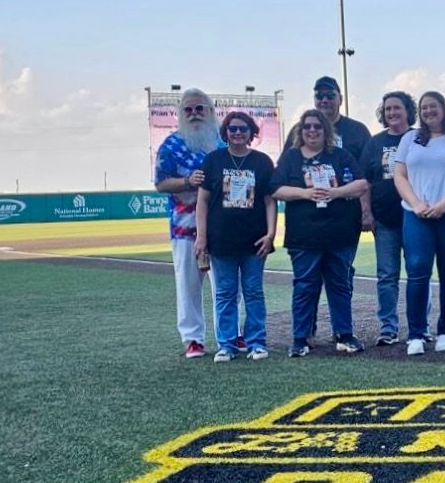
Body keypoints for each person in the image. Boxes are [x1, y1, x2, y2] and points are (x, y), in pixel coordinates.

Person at [270, 109, 369, 357]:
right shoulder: (291, 158)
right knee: (305, 286)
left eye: (317, 126)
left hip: (339, 233)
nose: (312, 131)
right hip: (304, 235)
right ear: (300, 132)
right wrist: (305, 193)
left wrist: (335, 192)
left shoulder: (340, 155)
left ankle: (344, 334)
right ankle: (301, 337)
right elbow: (276, 189)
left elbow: (362, 184)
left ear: (326, 131)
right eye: (307, 127)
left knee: (340, 285)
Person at [287, 76, 373, 341]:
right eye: (319, 96)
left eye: (330, 95)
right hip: (307, 223)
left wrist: (365, 212)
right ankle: (306, 331)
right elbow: (280, 179)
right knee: (307, 281)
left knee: (341, 276)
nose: (325, 100)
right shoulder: (296, 132)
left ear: (340, 99)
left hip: (344, 218)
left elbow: (364, 177)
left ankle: (342, 332)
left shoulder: (357, 131)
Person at [394, 91, 445, 355]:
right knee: (417, 271)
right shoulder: (410, 139)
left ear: (444, 108)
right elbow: (400, 176)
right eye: (424, 108)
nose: (429, 111)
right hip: (416, 214)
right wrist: (416, 204)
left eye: (434, 106)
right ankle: (416, 334)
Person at [195, 111, 276, 361]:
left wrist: (271, 233)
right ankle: (227, 344)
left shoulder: (262, 162)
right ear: (226, 133)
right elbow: (203, 201)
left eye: (243, 129)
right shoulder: (213, 161)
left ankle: (256, 342)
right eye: (232, 129)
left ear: (251, 132)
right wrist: (201, 237)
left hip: (255, 240)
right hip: (222, 240)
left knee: (253, 292)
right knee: (225, 293)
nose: (238, 133)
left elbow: (270, 200)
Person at [154, 88, 222, 358]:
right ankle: (192, 338)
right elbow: (160, 183)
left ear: (210, 112)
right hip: (185, 226)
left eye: (199, 109)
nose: (194, 114)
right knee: (188, 284)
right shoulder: (171, 145)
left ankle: (229, 334)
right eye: (188, 110)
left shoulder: (223, 142)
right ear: (181, 114)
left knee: (227, 283)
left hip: (222, 225)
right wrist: (186, 182)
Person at [361, 91, 419, 346]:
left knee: (418, 273)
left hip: (416, 217)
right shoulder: (375, 143)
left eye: (397, 108)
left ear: (408, 110)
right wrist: (367, 212)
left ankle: (420, 326)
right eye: (388, 110)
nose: (392, 113)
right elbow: (366, 181)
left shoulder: (419, 138)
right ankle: (388, 327)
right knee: (387, 275)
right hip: (385, 220)